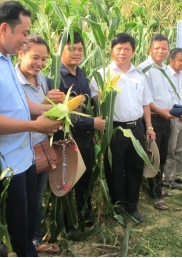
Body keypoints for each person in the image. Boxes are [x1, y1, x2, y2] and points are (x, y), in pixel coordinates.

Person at [0, 1, 64, 257]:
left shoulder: (4, 59)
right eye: (24, 33)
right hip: (6, 167)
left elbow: (19, 102)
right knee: (15, 230)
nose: (26, 40)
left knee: (27, 226)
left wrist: (47, 109)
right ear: (5, 28)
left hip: (24, 157)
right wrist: (34, 125)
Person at [90, 33, 156, 223]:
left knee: (135, 167)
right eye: (119, 49)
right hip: (114, 130)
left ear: (133, 52)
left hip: (136, 128)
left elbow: (145, 104)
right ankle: (117, 207)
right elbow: (94, 103)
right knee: (115, 169)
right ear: (111, 51)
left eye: (127, 49)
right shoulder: (102, 74)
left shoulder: (139, 76)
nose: (123, 53)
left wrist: (149, 126)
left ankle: (132, 206)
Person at [15, 35, 64, 254]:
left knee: (36, 200)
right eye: (35, 57)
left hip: (41, 147)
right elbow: (20, 116)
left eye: (44, 59)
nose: (40, 64)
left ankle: (35, 241)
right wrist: (46, 102)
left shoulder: (42, 79)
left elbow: (46, 113)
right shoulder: (12, 82)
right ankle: (18, 244)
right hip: (20, 150)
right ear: (20, 53)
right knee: (20, 204)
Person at [53, 32, 105, 231]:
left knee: (85, 177)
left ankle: (84, 214)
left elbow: (85, 107)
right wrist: (92, 123)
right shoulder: (57, 77)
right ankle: (68, 222)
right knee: (68, 180)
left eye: (80, 49)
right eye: (71, 48)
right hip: (66, 139)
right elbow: (61, 115)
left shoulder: (81, 73)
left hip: (85, 138)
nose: (76, 53)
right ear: (60, 49)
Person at [137, 34, 178, 211]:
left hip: (165, 118)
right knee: (153, 157)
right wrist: (159, 114)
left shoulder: (164, 69)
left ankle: (158, 188)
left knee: (161, 155)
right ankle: (154, 194)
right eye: (157, 48)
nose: (161, 51)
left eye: (164, 48)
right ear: (150, 49)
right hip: (153, 118)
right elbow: (146, 99)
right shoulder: (144, 69)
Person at [163, 48, 182, 187]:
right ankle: (168, 178)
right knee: (171, 148)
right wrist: (177, 113)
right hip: (172, 116)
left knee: (180, 146)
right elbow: (169, 99)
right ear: (171, 60)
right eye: (180, 60)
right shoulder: (166, 75)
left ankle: (176, 175)